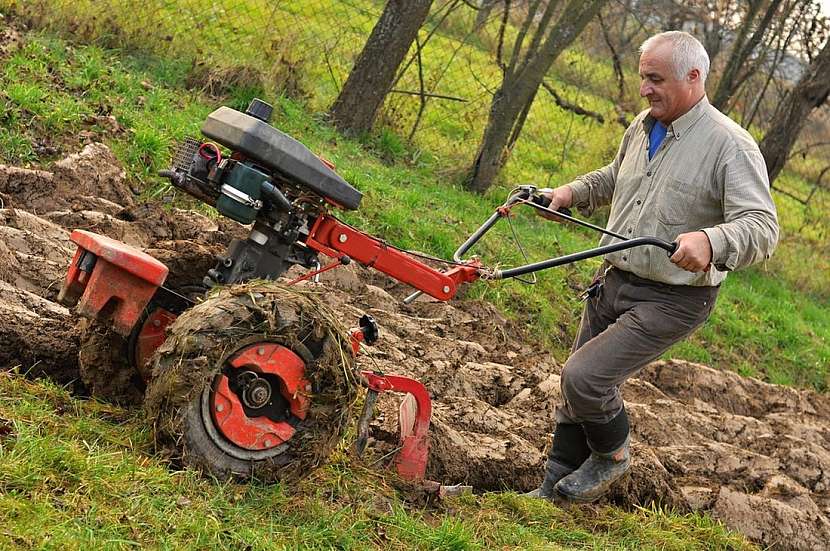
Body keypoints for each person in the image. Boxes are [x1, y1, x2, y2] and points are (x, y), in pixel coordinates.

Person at [525, 31, 779, 502]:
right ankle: (550, 495)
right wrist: (569, 194)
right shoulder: (644, 124)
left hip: (673, 296)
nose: (644, 89)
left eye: (655, 79)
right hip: (613, 278)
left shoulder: (730, 146)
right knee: (573, 391)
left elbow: (763, 227)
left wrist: (711, 239)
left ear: (694, 77)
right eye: (643, 77)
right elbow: (615, 175)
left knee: (586, 379)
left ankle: (613, 456)